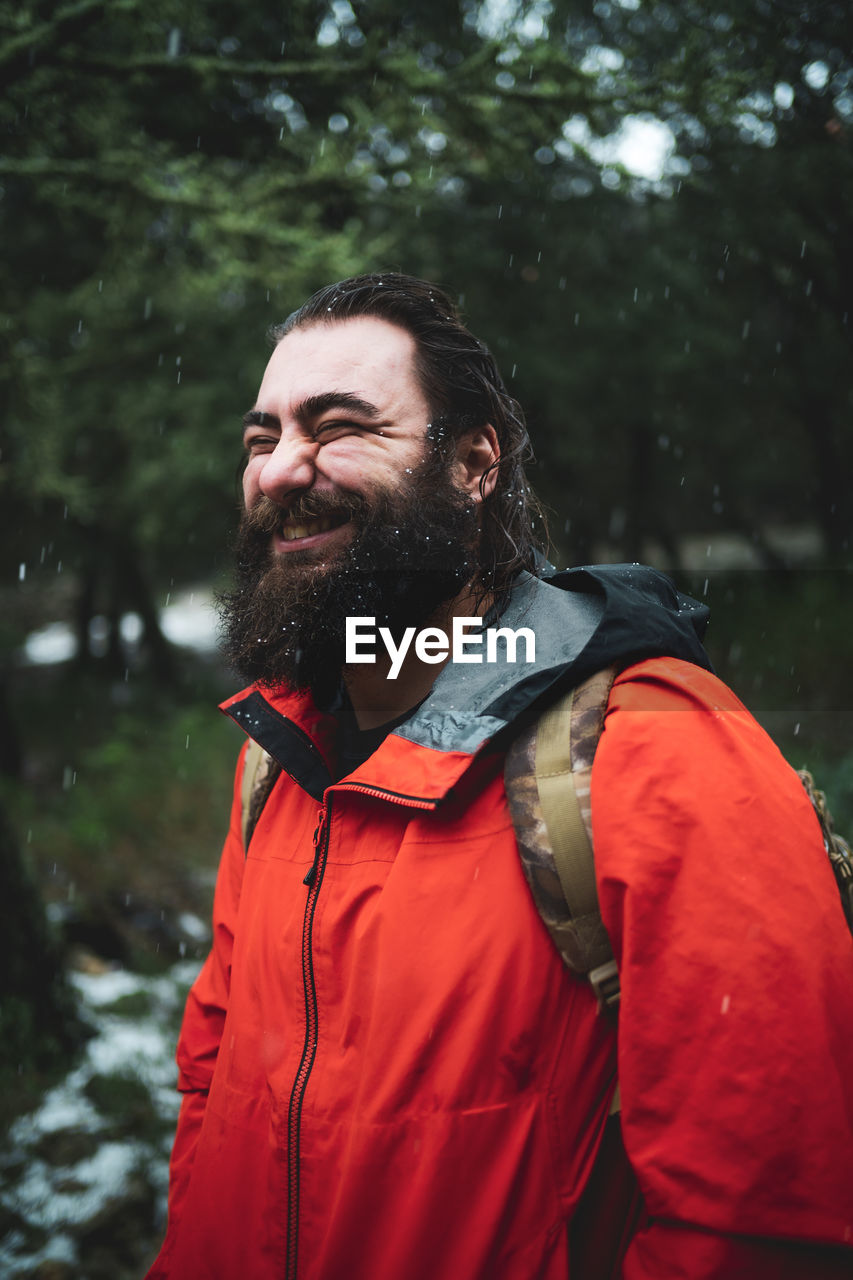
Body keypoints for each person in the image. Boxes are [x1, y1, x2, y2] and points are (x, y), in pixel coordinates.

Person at [146, 273, 853, 1280]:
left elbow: (765, 1219)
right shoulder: (277, 752)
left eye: (337, 425)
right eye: (261, 438)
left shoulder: (654, 746)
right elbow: (214, 1090)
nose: (282, 468)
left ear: (474, 460)